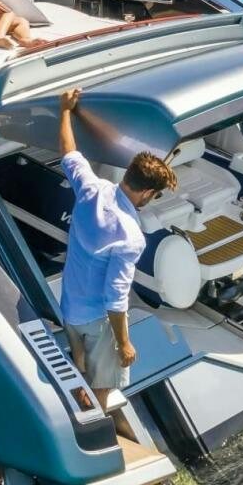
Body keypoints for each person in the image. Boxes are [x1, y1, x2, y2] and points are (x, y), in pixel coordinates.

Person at [57, 88, 177, 405]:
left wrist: (65, 110)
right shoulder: (130, 236)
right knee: (104, 386)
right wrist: (124, 343)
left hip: (70, 305)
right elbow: (116, 296)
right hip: (97, 318)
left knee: (80, 364)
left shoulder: (91, 188)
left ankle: (77, 396)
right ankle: (91, 426)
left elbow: (69, 152)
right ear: (148, 193)